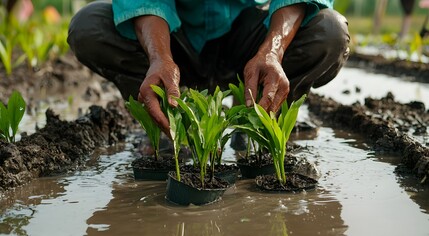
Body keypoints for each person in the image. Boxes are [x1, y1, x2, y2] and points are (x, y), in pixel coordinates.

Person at [67, 0, 350, 135]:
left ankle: (264, 120)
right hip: (177, 35)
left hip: (248, 36)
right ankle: (161, 122)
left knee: (329, 30)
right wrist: (159, 57)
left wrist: (272, 51)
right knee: (89, 27)